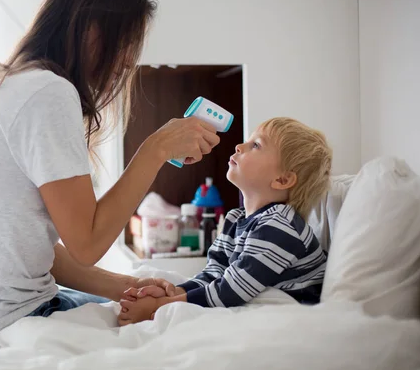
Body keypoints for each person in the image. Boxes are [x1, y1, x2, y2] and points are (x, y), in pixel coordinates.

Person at [0, 0, 220, 353]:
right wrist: (154, 150)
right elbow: (86, 245)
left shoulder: (5, 81)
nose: (126, 61)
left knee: (147, 300)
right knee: (175, 325)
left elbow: (21, 243)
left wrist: (123, 285)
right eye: (126, 41)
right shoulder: (49, 93)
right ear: (92, 29)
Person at [118, 117, 332, 326]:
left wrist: (160, 307)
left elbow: (233, 289)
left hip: (292, 312)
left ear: (282, 180)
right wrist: (176, 291)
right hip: (246, 295)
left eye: (255, 145)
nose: (239, 146)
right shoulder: (235, 219)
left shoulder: (281, 226)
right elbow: (214, 273)